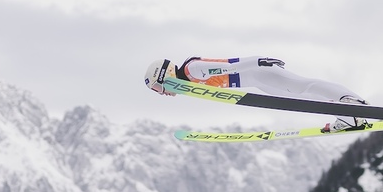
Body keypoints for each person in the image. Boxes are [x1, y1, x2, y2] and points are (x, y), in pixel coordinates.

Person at [144, 56, 369, 133]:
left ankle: (350, 101)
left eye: (158, 88)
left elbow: (230, 66)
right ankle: (349, 117)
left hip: (260, 73)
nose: (162, 94)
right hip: (258, 81)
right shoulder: (190, 78)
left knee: (302, 87)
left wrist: (259, 61)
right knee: (301, 98)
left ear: (165, 75)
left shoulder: (192, 70)